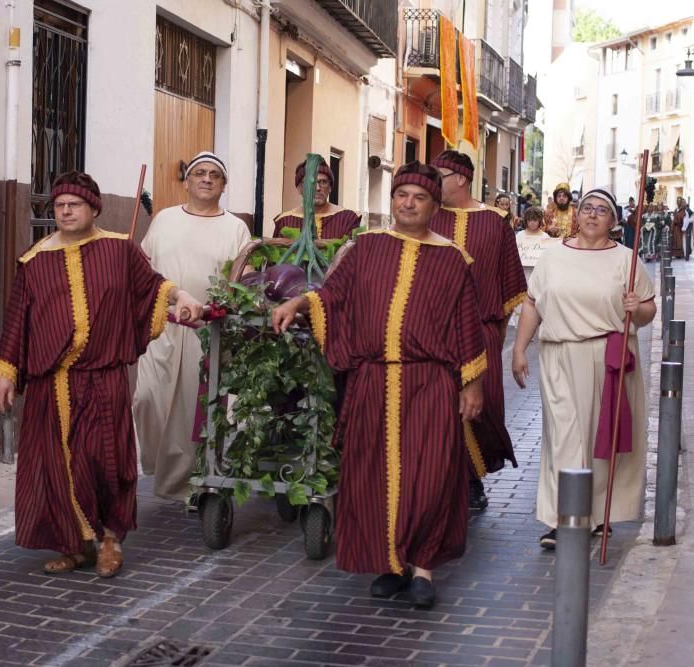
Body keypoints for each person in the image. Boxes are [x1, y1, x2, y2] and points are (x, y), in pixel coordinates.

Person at [271, 162, 486, 608]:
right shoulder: (367, 247)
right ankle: (391, 563)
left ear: (435, 205)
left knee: (429, 475)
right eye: (401, 194)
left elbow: (468, 325)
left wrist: (472, 384)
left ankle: (422, 566)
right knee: (374, 474)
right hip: (372, 381)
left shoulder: (453, 259)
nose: (407, 203)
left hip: (429, 381)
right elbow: (334, 296)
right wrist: (298, 302)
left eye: (419, 197)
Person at [0, 171, 203, 577]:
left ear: (93, 208)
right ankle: (74, 545)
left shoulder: (119, 250)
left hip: (103, 379)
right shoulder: (34, 261)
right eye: (59, 206)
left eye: (75, 205)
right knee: (54, 466)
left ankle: (109, 540)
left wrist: (183, 296)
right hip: (52, 384)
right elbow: (18, 321)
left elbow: (154, 287)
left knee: (103, 462)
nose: (66, 211)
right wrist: (5, 373)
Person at [511, 187, 656, 550]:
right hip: (559, 354)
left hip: (609, 357)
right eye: (587, 208)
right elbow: (533, 304)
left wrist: (636, 307)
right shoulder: (553, 256)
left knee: (599, 439)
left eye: (602, 210)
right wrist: (518, 349)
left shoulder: (627, 259)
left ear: (614, 221)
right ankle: (565, 517)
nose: (592, 215)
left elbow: (648, 313)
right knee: (563, 438)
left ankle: (595, 515)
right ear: (577, 214)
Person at [133, 151, 251, 502]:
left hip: (206, 330)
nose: (206, 179)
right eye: (199, 173)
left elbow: (242, 281)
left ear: (223, 185)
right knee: (145, 398)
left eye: (214, 175)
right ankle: (154, 462)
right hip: (162, 325)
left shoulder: (236, 228)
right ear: (186, 181)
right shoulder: (165, 219)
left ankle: (181, 486)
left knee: (188, 411)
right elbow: (144, 266)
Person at [429, 150, 527, 511]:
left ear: (461, 179)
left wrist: (498, 338)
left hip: (481, 331)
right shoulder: (428, 216)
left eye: (439, 175)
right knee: (437, 409)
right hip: (434, 333)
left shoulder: (496, 222)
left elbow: (509, 283)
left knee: (478, 410)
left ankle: (472, 481)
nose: (432, 182)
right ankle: (446, 484)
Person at [273, 158, 361, 240]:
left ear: (330, 187)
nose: (317, 188)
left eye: (323, 182)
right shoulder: (284, 221)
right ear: (299, 189)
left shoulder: (347, 219)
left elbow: (353, 254)